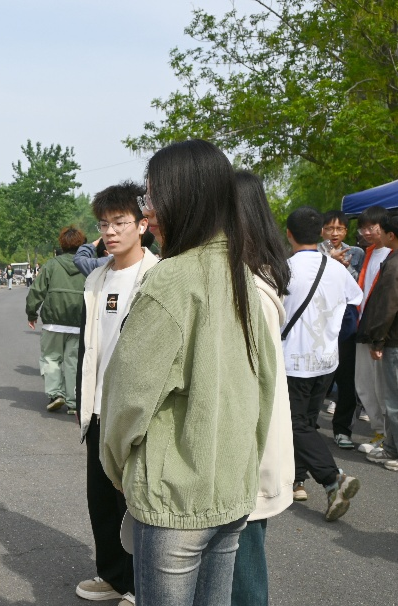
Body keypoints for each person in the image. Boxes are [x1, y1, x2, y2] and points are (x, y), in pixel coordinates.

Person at [100, 139, 277, 606]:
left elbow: (127, 398)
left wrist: (118, 467)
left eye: (152, 197)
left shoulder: (171, 279)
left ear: (184, 197)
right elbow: (263, 388)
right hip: (230, 491)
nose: (148, 210)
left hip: (174, 499)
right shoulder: (240, 273)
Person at [74, 182, 157, 605]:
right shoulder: (97, 278)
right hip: (99, 410)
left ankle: (143, 587)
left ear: (142, 225)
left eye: (120, 222)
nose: (110, 231)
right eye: (104, 224)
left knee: (139, 503)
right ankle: (112, 575)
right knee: (102, 501)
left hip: (138, 411)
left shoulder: (158, 276)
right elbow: (90, 348)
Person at [229, 171, 295, 606]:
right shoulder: (263, 274)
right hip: (254, 445)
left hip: (246, 451)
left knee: (243, 571)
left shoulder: (249, 288)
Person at [282, 206, 363, 519]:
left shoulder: (284, 269)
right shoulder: (337, 268)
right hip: (327, 360)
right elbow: (355, 299)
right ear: (320, 233)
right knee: (306, 423)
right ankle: (319, 486)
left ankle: (333, 478)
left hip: (294, 360)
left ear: (289, 234)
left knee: (295, 424)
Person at [25, 227, 88, 414]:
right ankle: (73, 402)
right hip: (78, 323)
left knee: (51, 358)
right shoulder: (87, 266)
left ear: (62, 243)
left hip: (53, 322)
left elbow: (36, 291)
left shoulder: (51, 265)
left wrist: (32, 313)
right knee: (73, 362)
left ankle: (55, 394)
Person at [318, 210, 365, 449]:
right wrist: (329, 261)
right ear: (321, 230)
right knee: (318, 375)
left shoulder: (355, 253)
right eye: (329, 228)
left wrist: (342, 267)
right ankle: (307, 425)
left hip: (346, 319)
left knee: (346, 377)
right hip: (320, 320)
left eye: (339, 229)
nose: (334, 233)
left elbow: (355, 286)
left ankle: (343, 429)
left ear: (346, 231)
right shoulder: (313, 252)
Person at [356, 215, 398, 471]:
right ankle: (389, 445)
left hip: (391, 340)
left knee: (392, 398)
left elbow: (388, 306)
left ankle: (393, 448)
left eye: (378, 229)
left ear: (390, 234)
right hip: (390, 337)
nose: (374, 234)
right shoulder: (385, 259)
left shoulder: (393, 263)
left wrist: (378, 340)